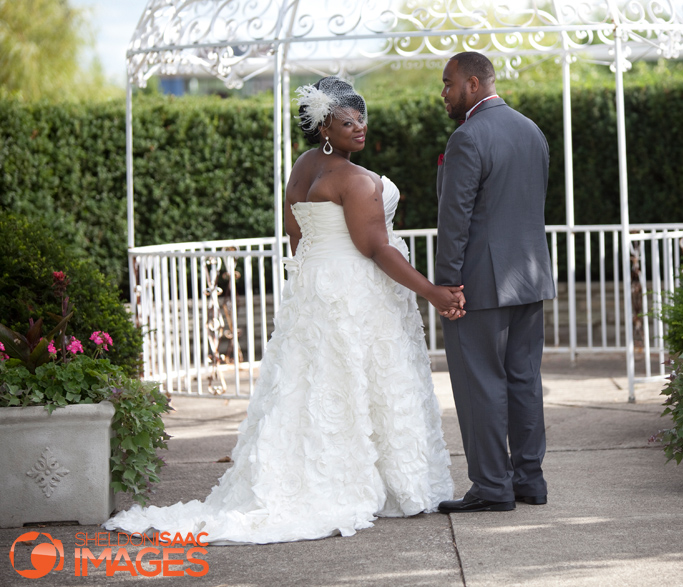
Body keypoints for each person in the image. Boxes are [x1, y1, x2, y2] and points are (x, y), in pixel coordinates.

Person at [104, 76, 461, 544]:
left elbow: (296, 233)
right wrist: (432, 292)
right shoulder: (357, 180)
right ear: (323, 126)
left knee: (313, 384)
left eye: (362, 118)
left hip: (315, 287)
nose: (360, 127)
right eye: (347, 120)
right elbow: (377, 249)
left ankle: (312, 474)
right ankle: (384, 485)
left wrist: (314, 277)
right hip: (355, 290)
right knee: (360, 381)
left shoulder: (304, 166)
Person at [435, 52, 556, 513]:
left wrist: (447, 285)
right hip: (528, 278)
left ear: (471, 84)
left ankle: (491, 486)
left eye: (447, 84)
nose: (443, 94)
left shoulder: (468, 137)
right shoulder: (532, 131)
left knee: (480, 383)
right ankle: (530, 480)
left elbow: (455, 220)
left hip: (479, 286)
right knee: (524, 380)